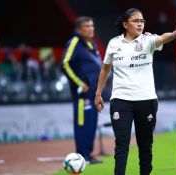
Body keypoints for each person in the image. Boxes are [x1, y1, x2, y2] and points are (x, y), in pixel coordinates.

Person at [94, 8, 176, 175]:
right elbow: (105, 69)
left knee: (145, 145)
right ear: (125, 24)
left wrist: (174, 34)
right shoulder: (114, 43)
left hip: (146, 100)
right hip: (121, 100)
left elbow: (162, 38)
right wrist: (98, 93)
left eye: (142, 21)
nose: (140, 24)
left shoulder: (148, 40)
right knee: (122, 143)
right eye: (136, 21)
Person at [61, 16, 102, 164]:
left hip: (93, 93)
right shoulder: (75, 43)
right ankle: (82, 154)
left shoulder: (91, 45)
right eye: (87, 26)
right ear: (78, 30)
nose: (91, 28)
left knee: (91, 122)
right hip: (82, 94)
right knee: (82, 123)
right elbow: (65, 64)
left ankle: (88, 155)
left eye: (92, 26)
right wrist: (80, 84)